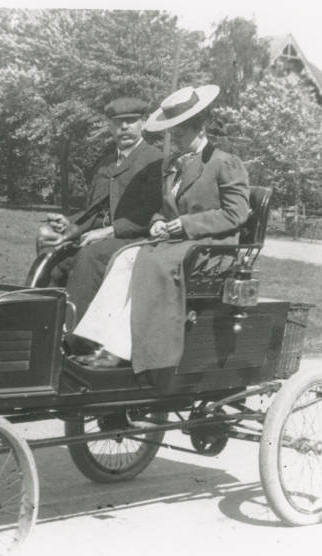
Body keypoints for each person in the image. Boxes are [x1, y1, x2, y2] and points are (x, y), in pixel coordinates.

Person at [72, 85, 250, 370]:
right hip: (178, 243)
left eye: (181, 135)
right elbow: (164, 209)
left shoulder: (224, 163)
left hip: (211, 247)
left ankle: (118, 350)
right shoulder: (173, 163)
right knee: (123, 258)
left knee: (147, 265)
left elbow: (236, 213)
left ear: (201, 129)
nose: (176, 141)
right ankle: (96, 339)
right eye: (173, 136)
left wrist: (185, 224)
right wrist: (157, 223)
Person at [38, 97, 163, 321]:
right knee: (50, 249)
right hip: (98, 237)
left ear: (142, 124)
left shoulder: (154, 160)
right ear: (110, 127)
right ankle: (41, 320)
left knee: (89, 255)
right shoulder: (104, 164)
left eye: (131, 121)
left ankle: (73, 334)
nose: (124, 127)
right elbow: (94, 209)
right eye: (117, 123)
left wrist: (107, 232)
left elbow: (149, 211)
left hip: (135, 238)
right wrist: (70, 224)